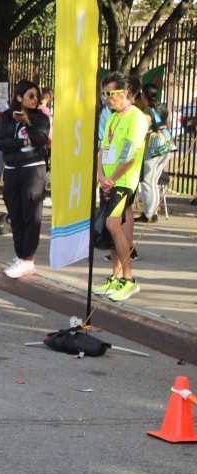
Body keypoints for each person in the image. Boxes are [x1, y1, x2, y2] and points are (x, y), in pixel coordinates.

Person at [91, 72, 149, 302]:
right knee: (110, 228)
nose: (105, 98)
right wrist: (101, 176)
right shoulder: (112, 117)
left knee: (113, 224)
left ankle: (129, 279)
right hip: (108, 181)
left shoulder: (136, 118)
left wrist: (113, 178)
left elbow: (130, 154)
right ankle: (115, 276)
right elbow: (103, 150)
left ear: (124, 93)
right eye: (103, 93)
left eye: (109, 93)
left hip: (123, 182)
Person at [0, 80, 51, 279]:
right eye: (30, 95)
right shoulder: (6, 117)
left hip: (33, 169)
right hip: (12, 169)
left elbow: (41, 139)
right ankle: (21, 256)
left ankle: (27, 258)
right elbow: (1, 143)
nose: (35, 99)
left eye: (37, 95)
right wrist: (24, 141)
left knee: (31, 213)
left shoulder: (41, 118)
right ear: (19, 97)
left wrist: (27, 122)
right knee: (15, 214)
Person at [136, 83, 173, 223]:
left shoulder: (148, 110)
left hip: (154, 146)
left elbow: (142, 126)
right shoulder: (162, 107)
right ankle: (153, 212)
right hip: (166, 143)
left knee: (147, 181)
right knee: (153, 181)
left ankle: (149, 214)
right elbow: (168, 124)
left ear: (144, 95)